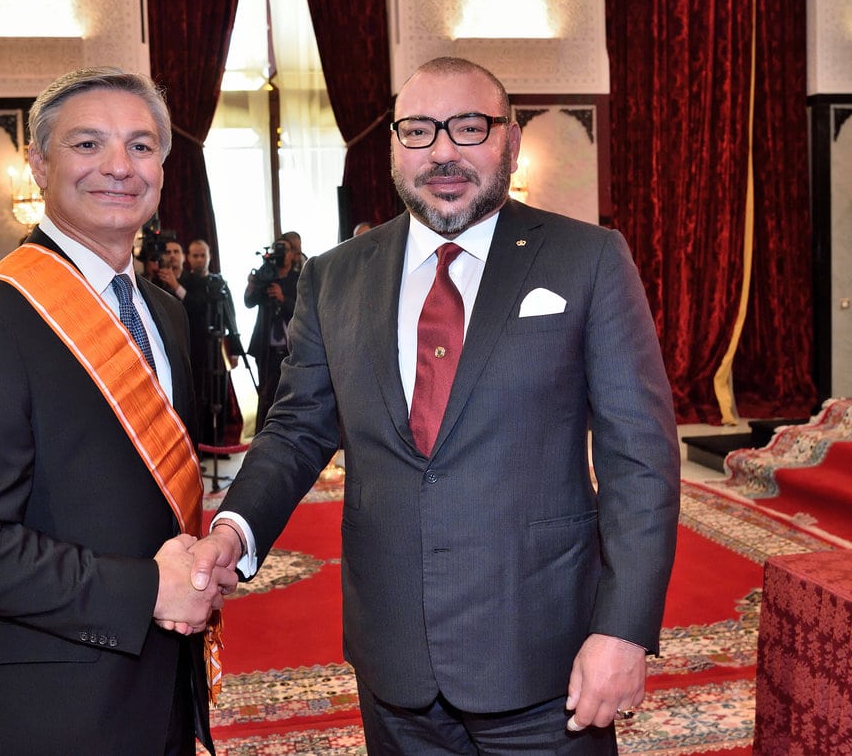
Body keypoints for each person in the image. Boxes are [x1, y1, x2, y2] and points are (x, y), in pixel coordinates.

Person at [191, 57, 680, 754]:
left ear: (509, 142)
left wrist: (624, 629)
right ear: (392, 146)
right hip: (394, 662)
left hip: (547, 657)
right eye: (419, 130)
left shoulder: (588, 260)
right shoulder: (334, 278)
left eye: (469, 127)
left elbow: (641, 461)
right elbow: (298, 429)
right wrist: (234, 532)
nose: (443, 151)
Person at [0, 67, 235, 755]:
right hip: (49, 707)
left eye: (142, 147)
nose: (119, 167)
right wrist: (147, 589)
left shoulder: (166, 314)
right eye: (88, 145)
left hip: (162, 680)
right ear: (38, 163)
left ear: (165, 169)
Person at [176, 240, 244, 448]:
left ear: (209, 256)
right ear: (188, 257)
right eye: (195, 256)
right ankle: (200, 445)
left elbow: (230, 315)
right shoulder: (183, 282)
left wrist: (235, 350)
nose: (199, 260)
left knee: (219, 392)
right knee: (198, 394)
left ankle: (219, 442)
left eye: (202, 255)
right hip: (194, 347)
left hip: (217, 347)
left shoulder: (219, 283)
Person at [243, 236, 299, 433]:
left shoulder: (299, 278)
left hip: (291, 349)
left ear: (292, 254)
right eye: (278, 250)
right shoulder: (266, 275)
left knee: (290, 396)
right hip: (265, 348)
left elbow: (303, 310)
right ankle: (263, 436)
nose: (281, 255)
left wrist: (283, 299)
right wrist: (252, 284)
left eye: (285, 250)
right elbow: (249, 302)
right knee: (265, 395)